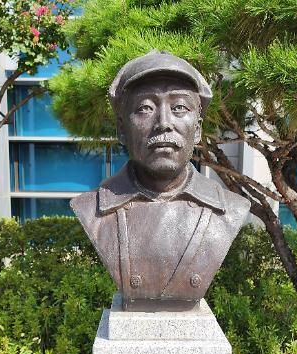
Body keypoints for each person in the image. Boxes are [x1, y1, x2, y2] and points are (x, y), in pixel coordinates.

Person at [71, 50, 250, 311]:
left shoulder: (229, 209)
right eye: (145, 108)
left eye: (179, 108)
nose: (163, 123)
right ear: (122, 128)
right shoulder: (93, 209)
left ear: (198, 129)